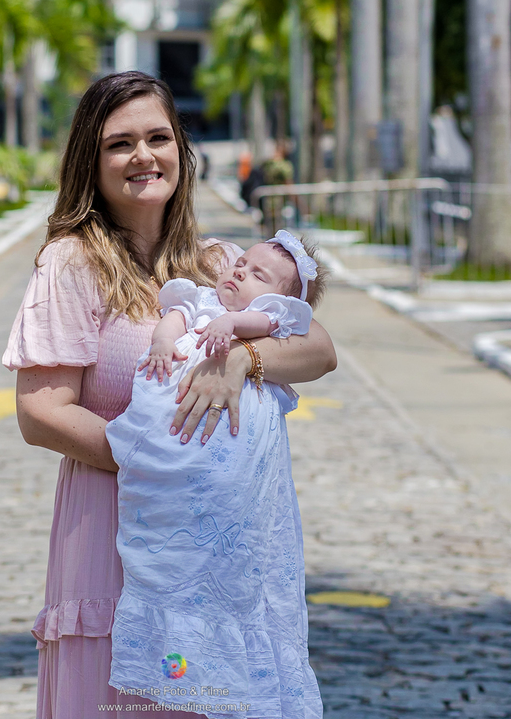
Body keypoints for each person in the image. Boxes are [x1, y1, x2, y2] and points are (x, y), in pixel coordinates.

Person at [3, 71, 337, 719]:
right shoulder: (71, 264)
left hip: (207, 546)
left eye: (159, 137)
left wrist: (244, 359)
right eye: (119, 143)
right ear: (90, 162)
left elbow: (318, 346)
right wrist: (159, 461)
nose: (143, 156)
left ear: (182, 151)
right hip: (113, 522)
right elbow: (39, 413)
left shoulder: (217, 262)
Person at [106, 230, 328, 718]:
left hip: (227, 457)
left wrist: (236, 342)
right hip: (170, 439)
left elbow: (310, 344)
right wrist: (166, 338)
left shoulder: (267, 319)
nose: (239, 271)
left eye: (256, 274)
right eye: (241, 264)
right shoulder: (202, 293)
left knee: (224, 555)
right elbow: (173, 318)